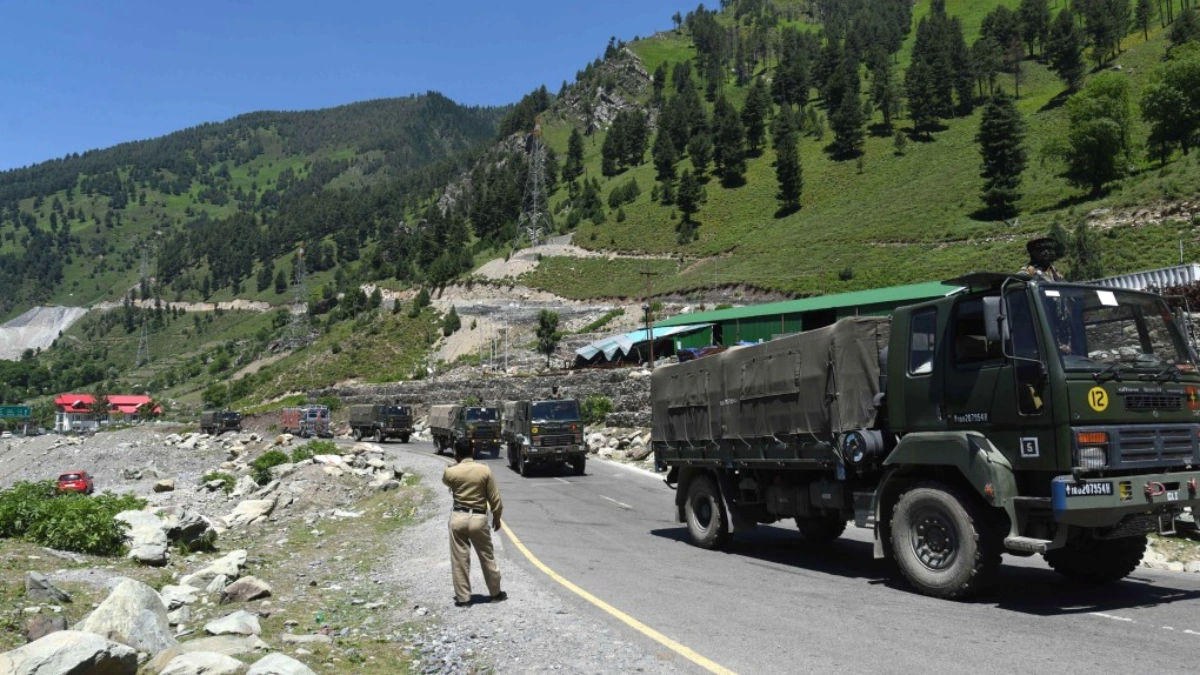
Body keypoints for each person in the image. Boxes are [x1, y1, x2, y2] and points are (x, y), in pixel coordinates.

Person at [442, 436, 506, 607]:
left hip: (458, 517)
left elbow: (446, 481)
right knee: (487, 556)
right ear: (473, 451)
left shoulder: (451, 472)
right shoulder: (484, 470)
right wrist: (497, 518)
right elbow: (495, 499)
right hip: (478, 517)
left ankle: (464, 599)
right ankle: (495, 593)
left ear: (456, 453)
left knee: (460, 559)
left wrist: (455, 464)